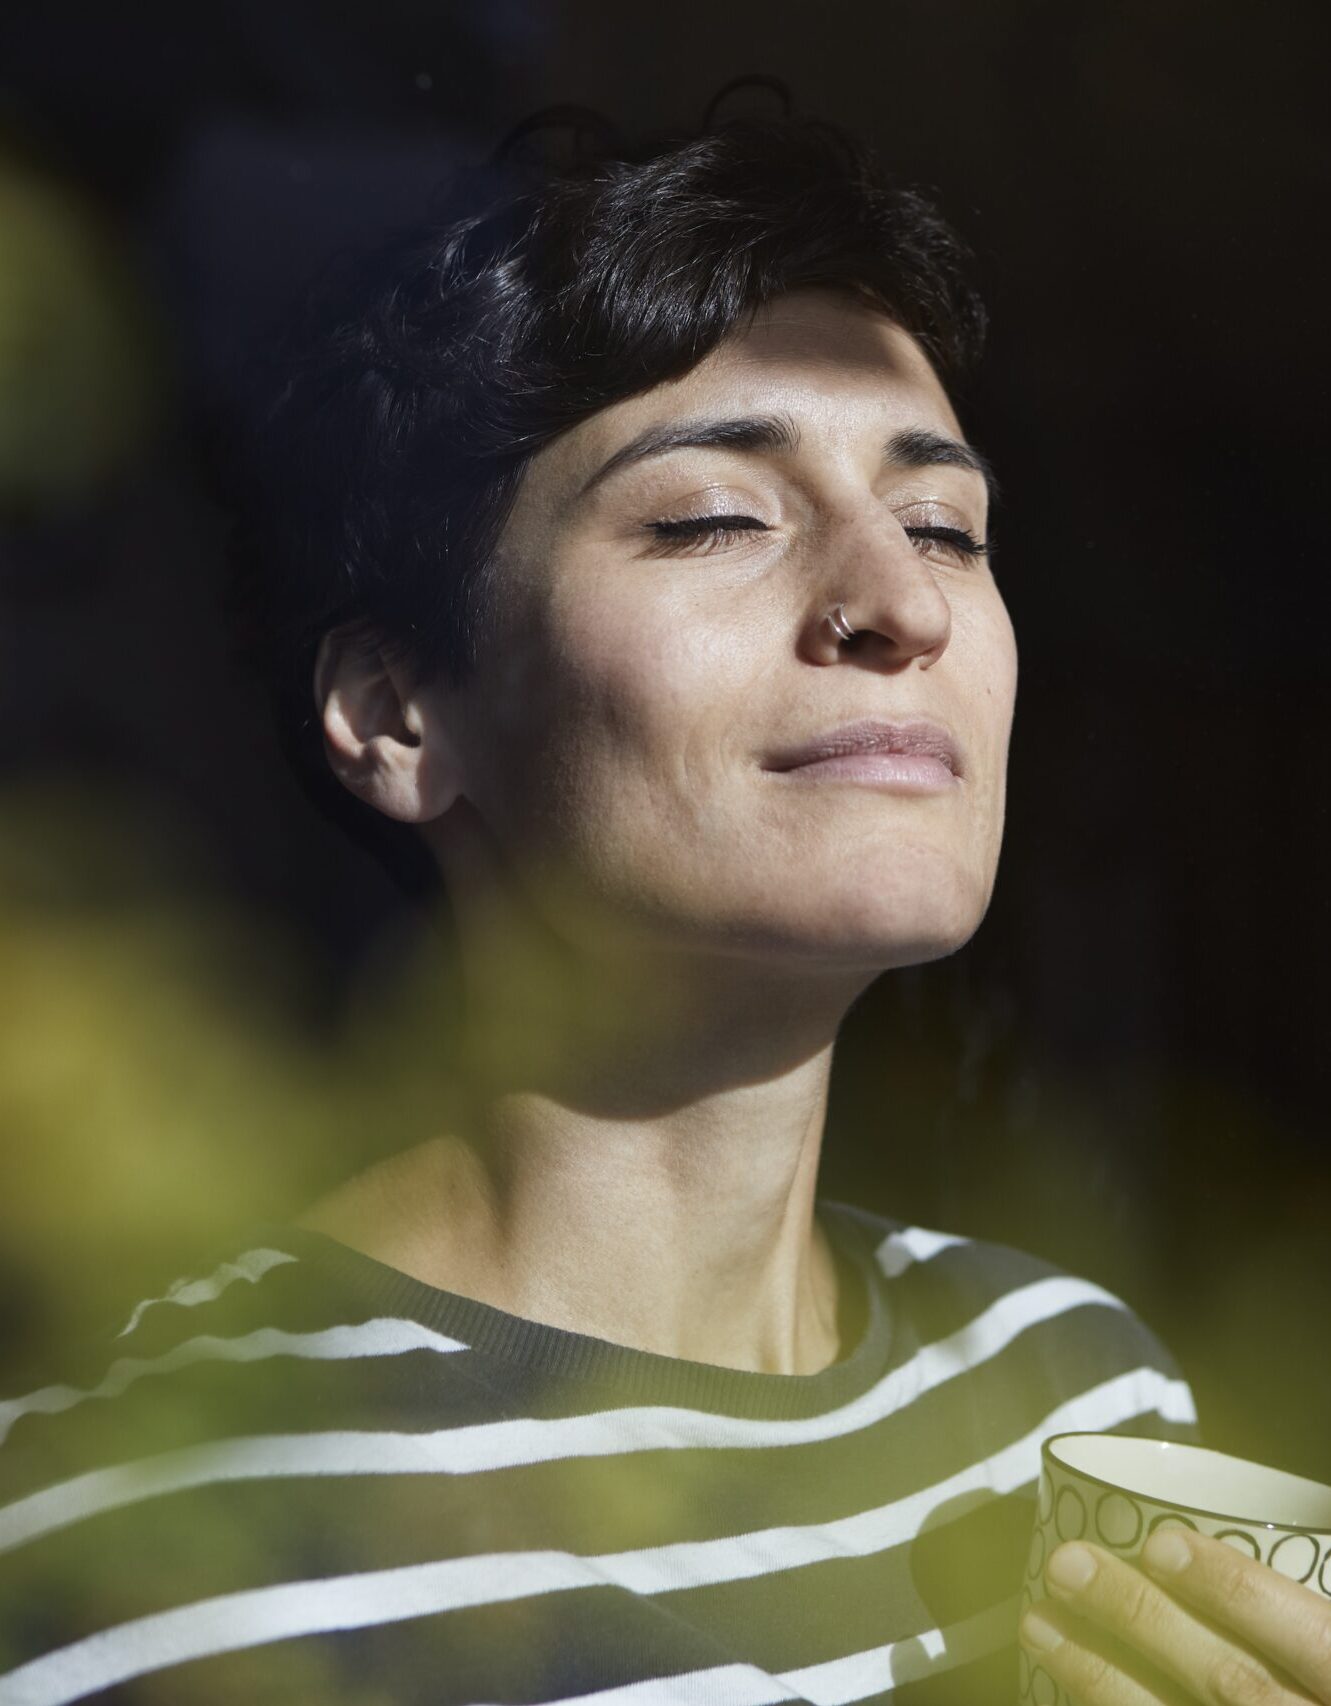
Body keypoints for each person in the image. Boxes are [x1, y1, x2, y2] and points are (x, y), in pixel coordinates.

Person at [3, 110, 1328, 1706]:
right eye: (712, 514)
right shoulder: (162, 1534)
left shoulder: (1077, 1388)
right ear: (401, 712)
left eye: (945, 526)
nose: (899, 602)